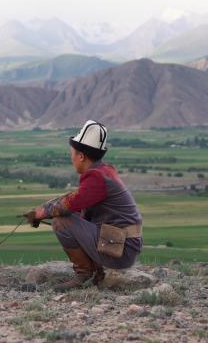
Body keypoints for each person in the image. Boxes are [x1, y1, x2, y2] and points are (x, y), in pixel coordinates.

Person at [24, 120, 142, 291]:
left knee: (62, 222)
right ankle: (94, 271)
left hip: (121, 249)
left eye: (72, 153)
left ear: (81, 156)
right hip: (122, 243)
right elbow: (76, 203)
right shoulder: (104, 171)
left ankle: (85, 276)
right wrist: (41, 211)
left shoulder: (96, 177)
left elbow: (67, 205)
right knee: (76, 217)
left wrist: (39, 214)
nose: (71, 157)